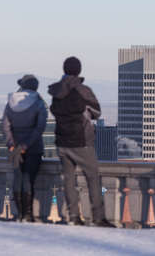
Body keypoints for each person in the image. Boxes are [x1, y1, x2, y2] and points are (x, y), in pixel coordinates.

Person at [48, 56, 115, 227]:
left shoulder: (56, 92)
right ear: (79, 70)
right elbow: (97, 112)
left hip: (62, 141)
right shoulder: (83, 90)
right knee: (93, 178)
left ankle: (73, 216)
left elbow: (55, 112)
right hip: (81, 140)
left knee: (69, 180)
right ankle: (98, 217)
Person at [2, 74, 48, 222]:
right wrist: (25, 145)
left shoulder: (11, 102)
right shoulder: (39, 103)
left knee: (18, 178)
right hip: (33, 148)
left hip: (14, 149)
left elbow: (5, 126)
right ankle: (28, 214)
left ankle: (20, 213)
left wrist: (11, 144)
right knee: (28, 179)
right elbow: (39, 128)